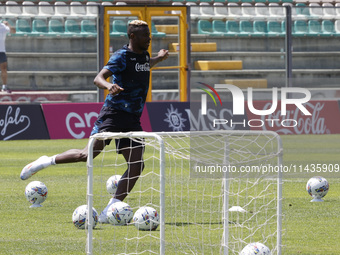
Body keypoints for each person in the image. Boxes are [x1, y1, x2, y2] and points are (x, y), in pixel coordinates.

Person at [20, 20, 169, 222]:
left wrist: (158, 59)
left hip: (133, 118)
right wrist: (109, 86)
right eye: (145, 35)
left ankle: (111, 209)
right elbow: (98, 77)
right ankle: (46, 161)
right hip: (113, 114)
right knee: (87, 155)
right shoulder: (121, 56)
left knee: (137, 165)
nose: (149, 38)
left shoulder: (143, 55)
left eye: (149, 34)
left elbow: (144, 65)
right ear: (132, 36)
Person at [0, 20, 15, 92]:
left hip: (1, 51)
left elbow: (14, 31)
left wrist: (8, 24)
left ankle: (4, 86)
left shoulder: (3, 26)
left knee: (4, 69)